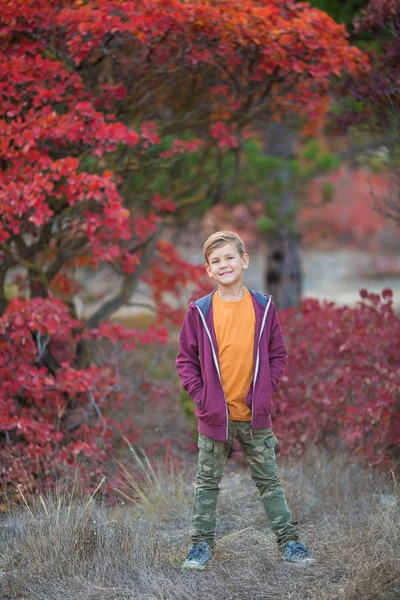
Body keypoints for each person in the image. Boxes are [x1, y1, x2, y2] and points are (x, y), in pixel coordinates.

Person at [176, 230, 315, 570]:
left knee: (269, 482)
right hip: (215, 418)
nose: (224, 265)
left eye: (229, 257)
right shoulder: (200, 311)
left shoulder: (264, 307)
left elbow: (277, 354)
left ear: (244, 261)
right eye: (216, 261)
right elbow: (185, 360)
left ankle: (290, 543)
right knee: (207, 484)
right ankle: (199, 547)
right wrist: (203, 398)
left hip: (255, 416)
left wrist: (267, 389)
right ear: (209, 270)